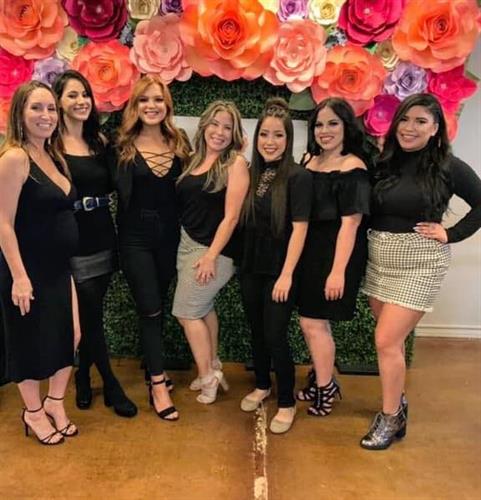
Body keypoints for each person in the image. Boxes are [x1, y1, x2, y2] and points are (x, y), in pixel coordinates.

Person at [361, 93, 481, 450]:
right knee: (391, 343)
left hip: (420, 262)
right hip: (380, 260)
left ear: (435, 128)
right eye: (404, 119)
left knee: (385, 341)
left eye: (420, 121)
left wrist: (451, 233)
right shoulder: (385, 162)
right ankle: (396, 403)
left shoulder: (448, 166)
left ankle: (389, 417)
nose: (409, 127)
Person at [52, 70, 137, 418]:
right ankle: (111, 385)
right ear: (59, 102)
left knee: (92, 313)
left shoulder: (99, 142)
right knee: (89, 315)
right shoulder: (51, 147)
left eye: (84, 94)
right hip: (72, 240)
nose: (80, 101)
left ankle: (84, 375)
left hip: (102, 234)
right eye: (72, 95)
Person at [0, 81, 80, 444]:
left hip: (59, 268)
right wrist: (19, 277)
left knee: (70, 336)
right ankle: (32, 412)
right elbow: (3, 222)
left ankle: (55, 403)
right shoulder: (15, 158)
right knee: (30, 343)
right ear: (20, 112)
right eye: (36, 107)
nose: (46, 115)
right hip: (26, 270)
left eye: (50, 108)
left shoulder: (54, 155)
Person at [114, 75, 190, 421]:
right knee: (149, 309)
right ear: (135, 105)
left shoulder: (180, 143)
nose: (151, 106)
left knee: (157, 305)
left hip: (169, 239)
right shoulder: (122, 146)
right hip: (135, 240)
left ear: (167, 105)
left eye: (158, 99)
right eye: (144, 100)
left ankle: (152, 368)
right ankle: (158, 384)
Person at [239, 98, 312, 434]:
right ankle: (262, 384)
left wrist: (286, 275)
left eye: (278, 135)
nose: (270, 141)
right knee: (256, 330)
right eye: (264, 134)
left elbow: (300, 229)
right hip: (251, 266)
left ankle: (286, 401)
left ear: (288, 139)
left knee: (275, 334)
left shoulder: (298, 177)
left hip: (281, 270)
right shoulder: (251, 173)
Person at [296, 98, 371, 416]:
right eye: (319, 124)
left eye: (333, 123)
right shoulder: (309, 160)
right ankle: (320, 378)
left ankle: (326, 387)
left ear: (346, 127)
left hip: (336, 253)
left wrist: (338, 271)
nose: (324, 130)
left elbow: (351, 224)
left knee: (313, 322)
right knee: (311, 321)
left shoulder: (353, 167)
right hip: (309, 252)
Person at [173, 101, 249, 405]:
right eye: (215, 124)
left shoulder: (235, 164)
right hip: (187, 244)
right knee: (203, 309)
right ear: (204, 125)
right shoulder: (194, 160)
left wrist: (211, 256)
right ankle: (213, 364)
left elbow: (231, 217)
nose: (219, 131)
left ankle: (208, 378)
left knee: (186, 313)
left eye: (227, 127)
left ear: (235, 133)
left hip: (213, 250)